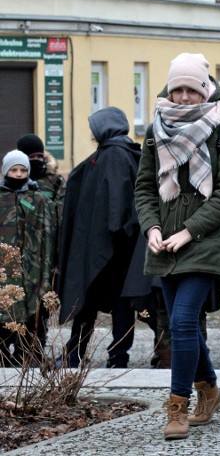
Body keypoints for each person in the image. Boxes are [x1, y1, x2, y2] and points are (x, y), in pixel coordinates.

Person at [134, 53, 220, 440]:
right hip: (164, 244)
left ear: (203, 89)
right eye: (176, 88)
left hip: (205, 241)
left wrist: (190, 231)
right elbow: (145, 188)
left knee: (182, 322)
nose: (182, 97)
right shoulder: (155, 130)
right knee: (186, 329)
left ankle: (177, 407)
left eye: (190, 89)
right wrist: (151, 227)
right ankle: (209, 391)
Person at [56, 107, 146, 369]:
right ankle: (115, 356)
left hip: (108, 247)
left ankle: (78, 354)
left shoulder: (113, 156)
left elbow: (115, 201)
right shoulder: (121, 153)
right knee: (120, 305)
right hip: (119, 246)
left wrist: (111, 236)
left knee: (91, 301)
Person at [0, 150, 55, 366]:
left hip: (30, 268)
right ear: (6, 171)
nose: (19, 174)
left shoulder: (37, 199)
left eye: (23, 170)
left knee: (32, 315)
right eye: (14, 169)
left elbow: (46, 235)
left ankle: (28, 357)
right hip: (4, 269)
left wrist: (47, 271)